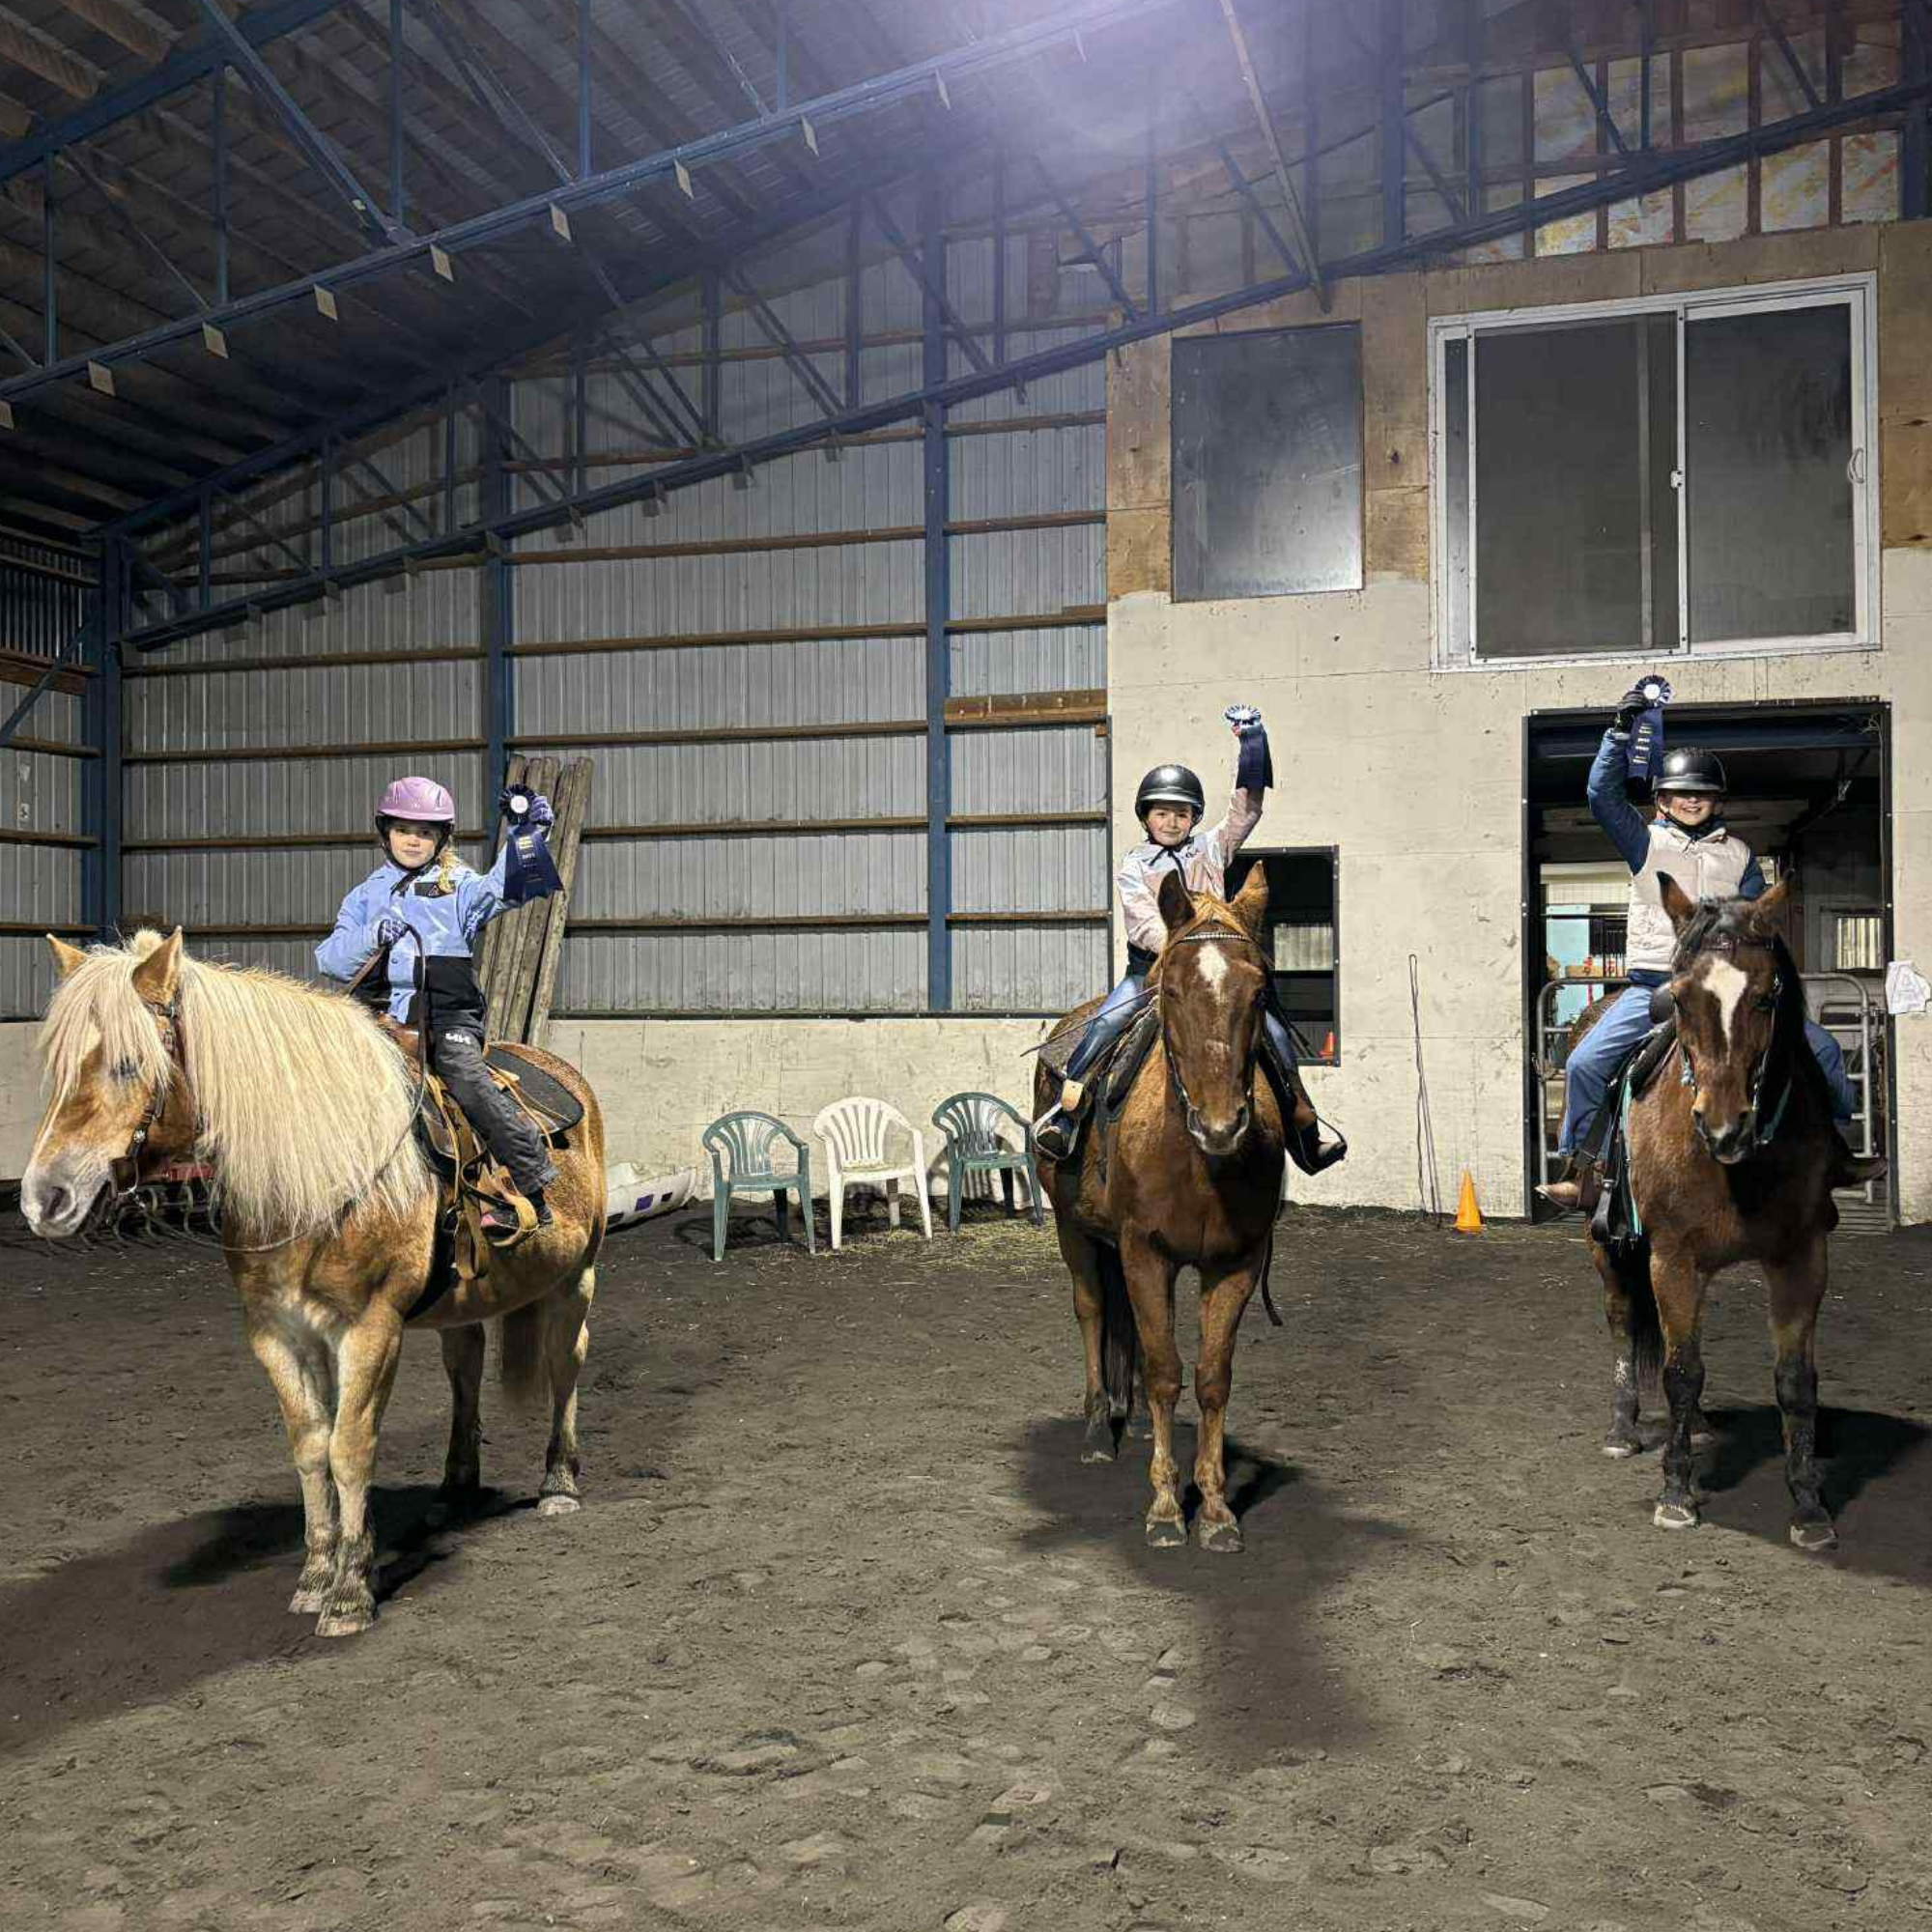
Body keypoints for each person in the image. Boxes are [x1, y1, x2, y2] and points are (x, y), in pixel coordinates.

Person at [1541, 690, 1857, 1209]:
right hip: (1654, 986)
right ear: (1662, 799)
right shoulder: (1644, 843)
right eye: (1681, 794)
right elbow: (1601, 794)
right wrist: (1619, 733)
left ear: (1716, 800)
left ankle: (1834, 1153)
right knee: (1585, 1064)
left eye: (1702, 794)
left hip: (1725, 985)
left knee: (1820, 1049)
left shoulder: (1739, 855)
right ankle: (1582, 1168)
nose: (1692, 800)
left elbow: (1757, 917)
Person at [1033, 708, 1342, 1171]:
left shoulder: (1211, 849)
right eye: (1163, 813)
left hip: (1212, 974)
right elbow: (1143, 924)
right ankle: (1069, 1117)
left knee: (1274, 1032)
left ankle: (1304, 1127)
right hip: (1151, 974)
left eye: (1182, 813)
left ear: (1194, 816)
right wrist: (1184, 951)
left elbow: (1247, 809)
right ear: (1146, 817)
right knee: (1102, 1027)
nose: (1173, 822)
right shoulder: (1134, 865)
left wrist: (1252, 744)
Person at [317, 776, 562, 1240]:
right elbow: (328, 959)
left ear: (441, 838)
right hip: (377, 1021)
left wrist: (527, 836)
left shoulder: (459, 887)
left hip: (448, 1019)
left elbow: (508, 888)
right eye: (405, 829)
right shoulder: (365, 895)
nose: (414, 839)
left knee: (467, 1078)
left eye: (426, 832)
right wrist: (371, 935)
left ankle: (532, 1185)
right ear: (385, 832)